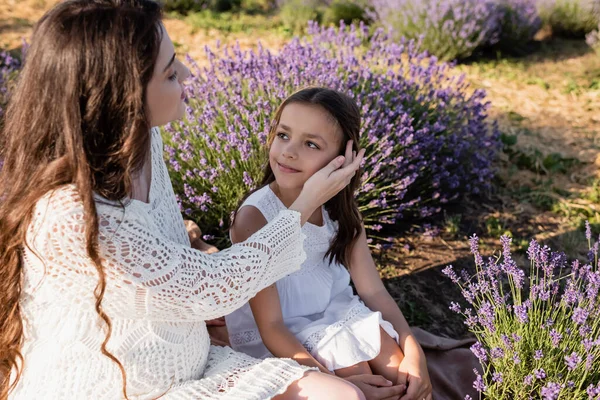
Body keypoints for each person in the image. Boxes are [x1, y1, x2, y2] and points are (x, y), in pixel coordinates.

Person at [0, 1, 368, 399]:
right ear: (123, 95)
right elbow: (211, 286)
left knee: (343, 395)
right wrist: (303, 205)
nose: (189, 74)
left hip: (191, 355)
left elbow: (171, 266)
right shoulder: (69, 214)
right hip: (125, 386)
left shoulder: (142, 142)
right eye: (171, 71)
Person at [225, 88, 432, 400]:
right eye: (283, 134)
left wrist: (414, 348)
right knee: (357, 376)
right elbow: (271, 327)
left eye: (310, 144)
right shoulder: (254, 219)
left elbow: (372, 291)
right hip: (284, 338)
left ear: (344, 157)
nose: (289, 152)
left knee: (404, 380)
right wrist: (337, 384)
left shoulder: (340, 212)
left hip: (336, 314)